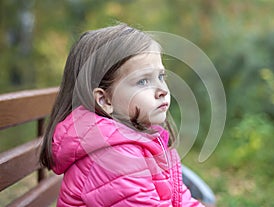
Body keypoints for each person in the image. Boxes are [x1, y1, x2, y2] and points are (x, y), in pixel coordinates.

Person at [40, 23, 205, 207]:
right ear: (105, 100)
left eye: (161, 77)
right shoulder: (114, 156)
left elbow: (179, 198)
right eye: (143, 81)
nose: (162, 91)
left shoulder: (138, 139)